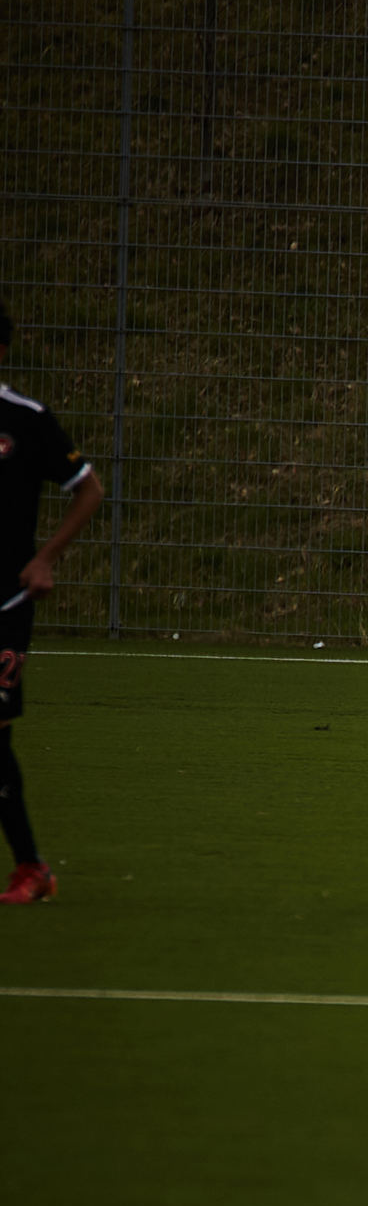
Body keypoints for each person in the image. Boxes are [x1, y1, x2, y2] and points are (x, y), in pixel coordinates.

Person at [0, 303, 107, 905]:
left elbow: (88, 489)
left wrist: (45, 560)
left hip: (6, 601)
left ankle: (31, 869)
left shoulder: (26, 420)